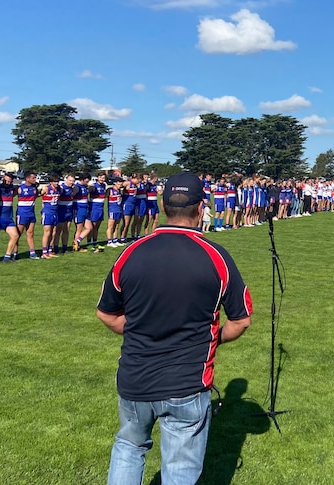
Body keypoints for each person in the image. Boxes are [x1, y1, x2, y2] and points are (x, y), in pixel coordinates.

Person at [97, 172, 253, 485]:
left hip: (135, 378)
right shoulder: (216, 257)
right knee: (179, 469)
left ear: (163, 206)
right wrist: (212, 339)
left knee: (129, 447)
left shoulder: (131, 252)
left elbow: (107, 314)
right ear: (201, 208)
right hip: (187, 382)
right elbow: (241, 320)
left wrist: (143, 329)